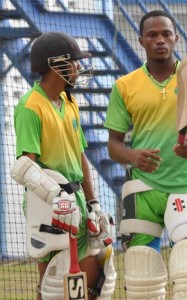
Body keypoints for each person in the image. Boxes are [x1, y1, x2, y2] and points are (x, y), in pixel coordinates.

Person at [104, 10, 187, 300]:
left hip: (184, 187)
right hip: (142, 189)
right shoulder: (124, 86)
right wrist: (133, 156)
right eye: (153, 35)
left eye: (166, 34)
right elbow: (113, 145)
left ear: (176, 38)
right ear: (141, 40)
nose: (160, 40)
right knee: (141, 279)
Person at [10, 32, 116, 300]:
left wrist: (93, 204)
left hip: (77, 200)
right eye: (75, 62)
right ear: (57, 65)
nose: (79, 68)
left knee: (96, 283)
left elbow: (80, 156)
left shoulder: (70, 102)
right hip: (47, 205)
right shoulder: (30, 106)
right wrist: (56, 199)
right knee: (54, 288)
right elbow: (25, 166)